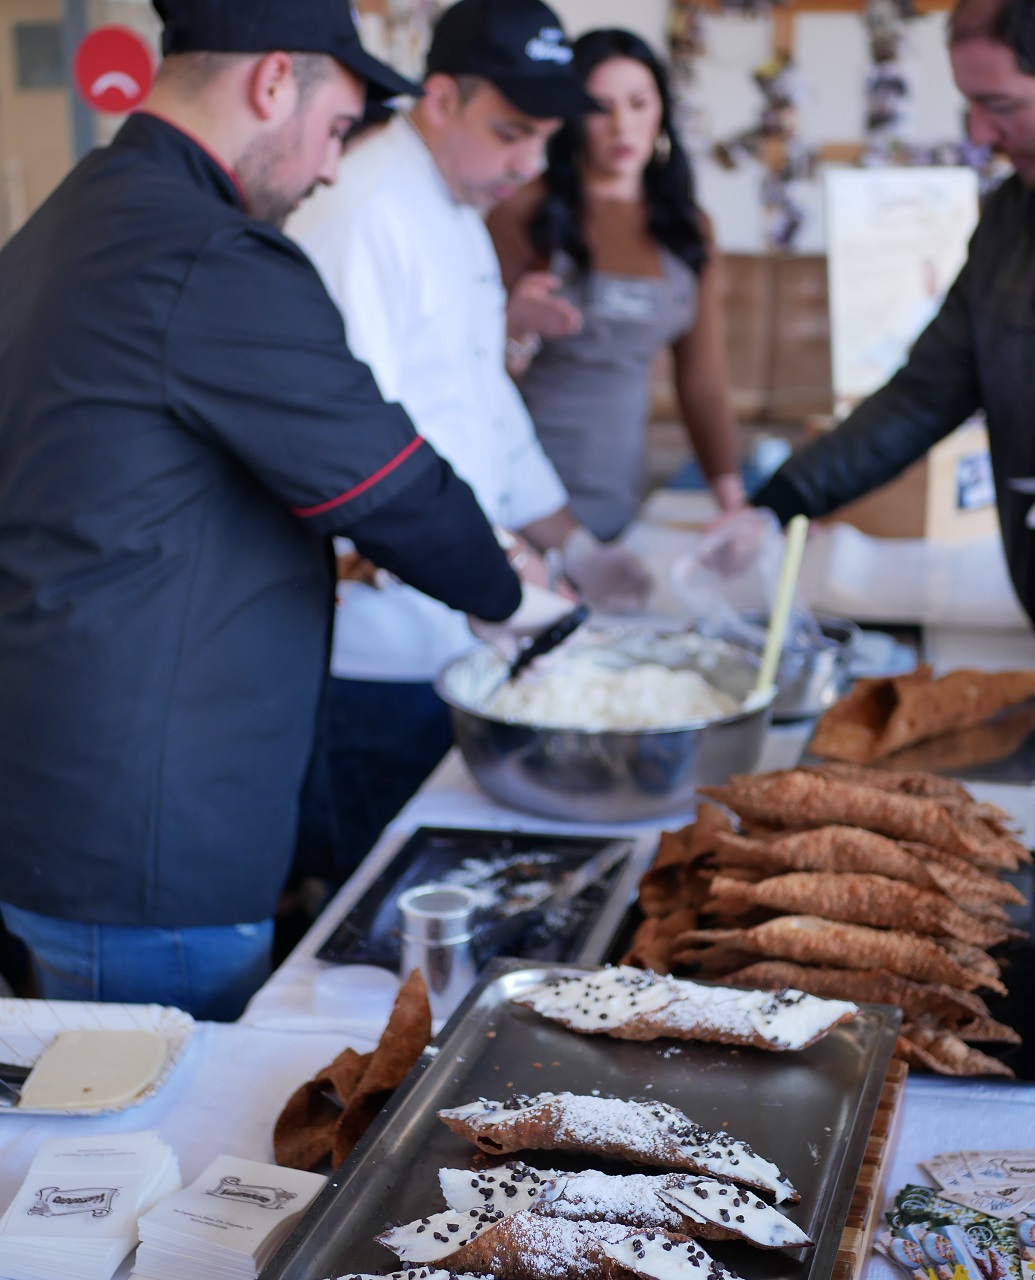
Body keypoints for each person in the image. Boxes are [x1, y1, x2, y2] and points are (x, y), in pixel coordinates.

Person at [0, 0, 568, 1021]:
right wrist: (511, 597)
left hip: (65, 792)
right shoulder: (209, 255)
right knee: (151, 1148)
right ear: (273, 83)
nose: (330, 168)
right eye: (338, 129)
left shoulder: (76, 213)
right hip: (145, 832)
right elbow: (383, 476)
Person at [288, 0, 654, 888]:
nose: (528, 164)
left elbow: (487, 408)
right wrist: (499, 568)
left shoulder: (453, 208)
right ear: (441, 97)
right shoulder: (365, 211)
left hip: (457, 629)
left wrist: (574, 542)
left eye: (543, 139)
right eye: (510, 133)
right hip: (374, 653)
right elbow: (347, 455)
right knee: (379, 928)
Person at [749, 0, 1035, 627]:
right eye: (972, 106)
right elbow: (921, 397)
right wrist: (777, 503)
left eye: (1003, 105)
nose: (981, 135)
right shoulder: (1008, 222)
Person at [487, 28, 745, 542]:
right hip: (522, 499)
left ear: (661, 114)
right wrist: (513, 331)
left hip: (620, 501)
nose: (622, 125)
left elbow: (702, 380)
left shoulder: (690, 230)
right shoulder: (523, 213)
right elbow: (476, 376)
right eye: (600, 107)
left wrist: (734, 505)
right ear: (573, 119)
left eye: (638, 103)